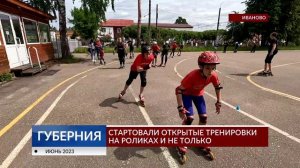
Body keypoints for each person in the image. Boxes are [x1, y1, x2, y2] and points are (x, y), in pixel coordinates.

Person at [175, 51, 222, 163]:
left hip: (198, 94)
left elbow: (217, 87)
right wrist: (180, 108)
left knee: (204, 118)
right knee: (189, 118)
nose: (210, 71)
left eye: (213, 68)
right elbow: (178, 90)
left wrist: (218, 101)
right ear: (201, 67)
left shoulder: (213, 75)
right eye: (207, 68)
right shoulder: (192, 75)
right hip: (186, 94)